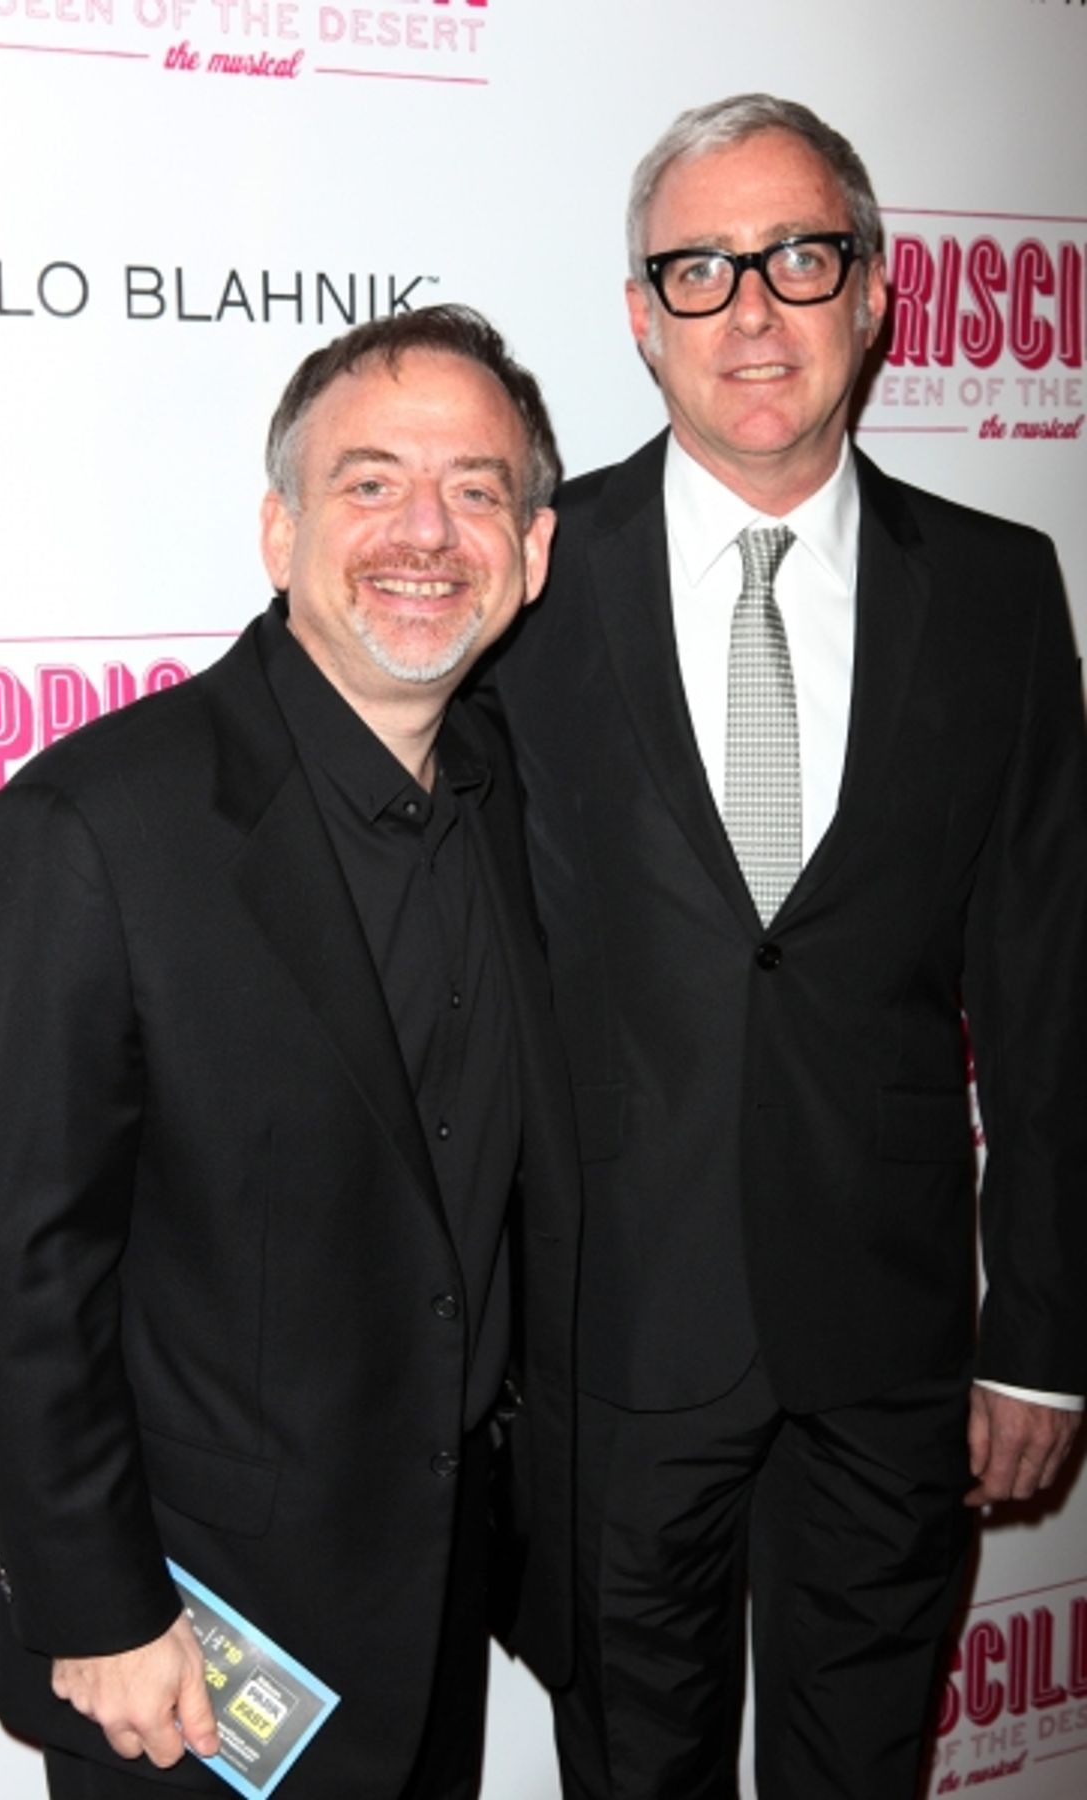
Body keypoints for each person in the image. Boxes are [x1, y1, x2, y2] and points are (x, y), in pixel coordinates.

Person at [483, 94, 1087, 1799]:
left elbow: (1050, 996)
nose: (751, 310)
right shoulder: (527, 577)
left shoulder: (994, 592)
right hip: (608, 1350)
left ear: (877, 291)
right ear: (638, 315)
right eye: (698, 269)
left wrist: (1039, 1332)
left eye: (798, 257)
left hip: (887, 1358)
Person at [0, 303, 579, 1800]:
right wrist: (96, 1608)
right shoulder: (91, 831)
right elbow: (23, 1267)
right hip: (191, 1658)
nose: (426, 532)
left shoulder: (511, 801)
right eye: (370, 483)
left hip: (434, 1612)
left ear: (533, 556)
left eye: (478, 491)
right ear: (279, 531)